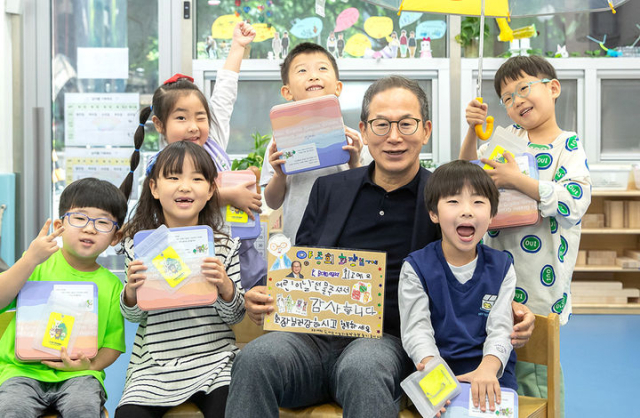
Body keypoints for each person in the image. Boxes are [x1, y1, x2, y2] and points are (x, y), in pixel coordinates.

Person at [227, 76, 534, 418]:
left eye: (406, 124)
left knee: (364, 367)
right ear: (364, 129)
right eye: (381, 124)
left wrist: (517, 311)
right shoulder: (329, 189)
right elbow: (298, 270)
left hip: (387, 342)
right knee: (254, 359)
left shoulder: (444, 199)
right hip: (310, 338)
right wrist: (271, 296)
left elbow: (475, 270)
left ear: (426, 130)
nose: (393, 136)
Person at [460, 55, 592, 417]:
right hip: (496, 272)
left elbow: (574, 200)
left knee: (536, 366)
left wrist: (517, 180)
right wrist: (473, 131)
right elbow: (465, 176)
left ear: (553, 88)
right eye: (506, 97)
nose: (516, 100)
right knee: (494, 354)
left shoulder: (569, 145)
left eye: (524, 88)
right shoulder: (505, 142)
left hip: (541, 282)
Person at [120, 22, 265, 290]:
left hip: (234, 243)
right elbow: (174, 198)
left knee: (245, 300)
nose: (193, 126)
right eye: (181, 118)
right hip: (193, 253)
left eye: (200, 117)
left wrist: (237, 47)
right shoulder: (160, 163)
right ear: (160, 125)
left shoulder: (213, 140)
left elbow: (224, 94)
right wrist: (229, 195)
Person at [115, 141, 244, 418]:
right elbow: (134, 315)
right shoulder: (139, 247)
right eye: (173, 177)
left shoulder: (224, 247)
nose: (185, 186)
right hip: (154, 366)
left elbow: (235, 315)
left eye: (197, 179)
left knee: (232, 408)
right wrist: (131, 292)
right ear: (154, 188)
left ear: (211, 190)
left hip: (215, 362)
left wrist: (225, 286)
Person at [0, 178, 127, 418]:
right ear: (60, 225)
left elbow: (112, 346)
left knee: (84, 408)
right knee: (11, 410)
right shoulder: (36, 264)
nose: (89, 228)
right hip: (19, 372)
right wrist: (29, 260)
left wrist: (89, 367)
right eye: (79, 218)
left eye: (102, 223)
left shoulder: (111, 285)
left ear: (115, 237)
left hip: (77, 377)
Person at [399, 160, 517, 415]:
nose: (467, 211)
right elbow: (416, 331)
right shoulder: (416, 267)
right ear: (433, 213)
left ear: (492, 213)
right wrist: (434, 375)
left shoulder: (502, 266)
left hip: (491, 372)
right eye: (453, 202)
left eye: (478, 202)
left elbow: (501, 327)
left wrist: (489, 368)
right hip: (437, 371)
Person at [259, 42, 367, 242]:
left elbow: (367, 195)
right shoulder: (279, 142)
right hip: (300, 240)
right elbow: (273, 202)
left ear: (338, 87)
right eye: (302, 70)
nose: (313, 76)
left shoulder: (355, 140)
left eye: (322, 68)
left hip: (348, 239)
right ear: (287, 92)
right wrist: (279, 175)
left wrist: (354, 163)